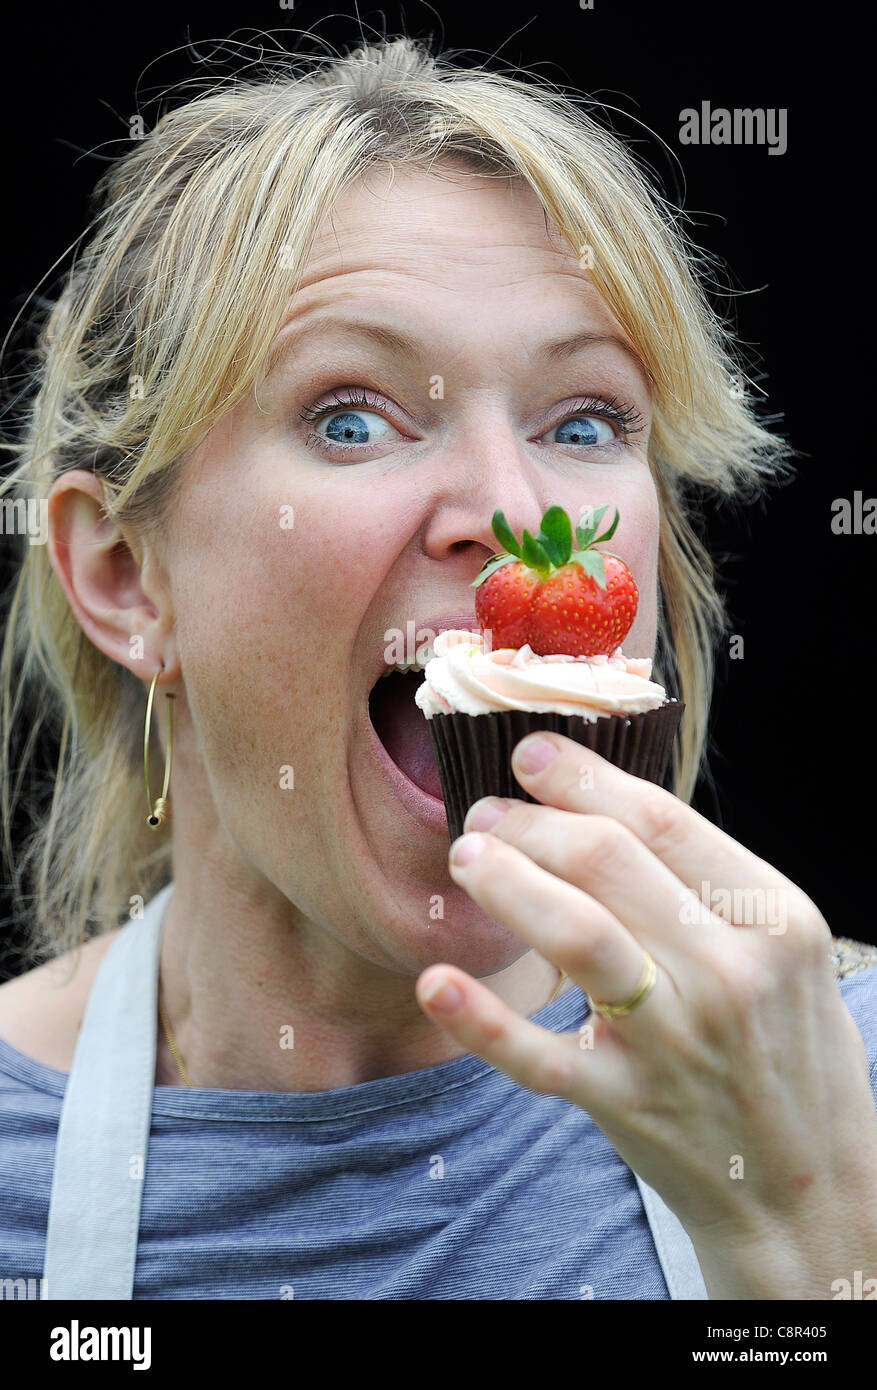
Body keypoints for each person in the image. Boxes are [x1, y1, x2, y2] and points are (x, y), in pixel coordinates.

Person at [0, 35, 874, 1302]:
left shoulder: (843, 1078)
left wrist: (808, 1257)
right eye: (352, 416)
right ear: (129, 579)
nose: (514, 511)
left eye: (583, 422)